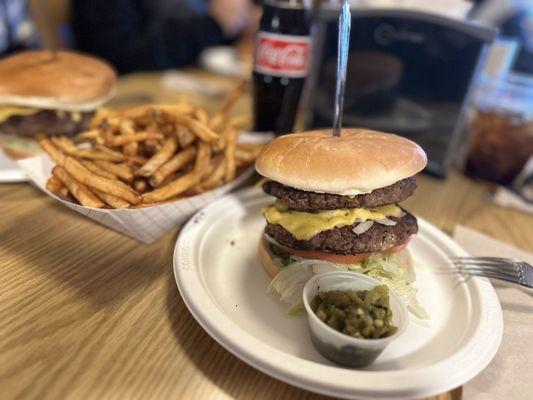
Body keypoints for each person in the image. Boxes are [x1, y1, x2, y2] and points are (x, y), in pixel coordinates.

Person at [71, 0, 255, 74]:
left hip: (191, 83)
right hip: (126, 97)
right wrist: (213, 24)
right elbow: (121, 57)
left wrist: (239, 22)